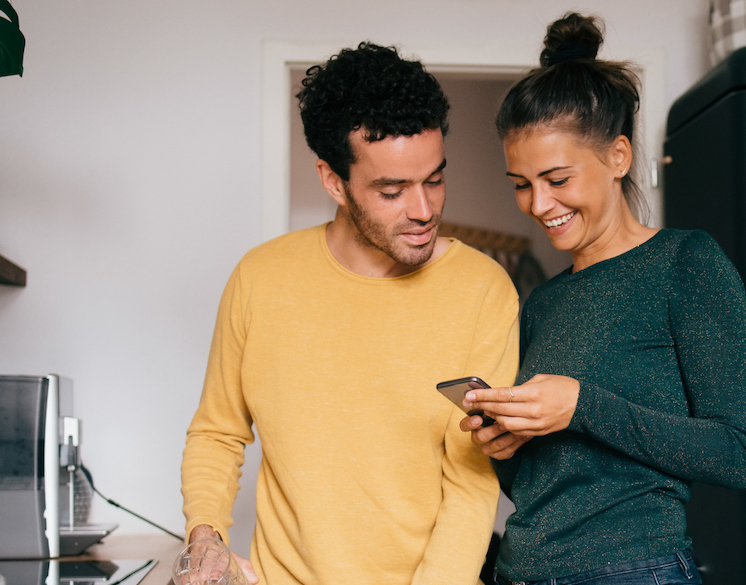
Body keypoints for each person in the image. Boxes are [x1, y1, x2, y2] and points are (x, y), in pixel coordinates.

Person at [181, 43, 516, 585]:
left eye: (434, 178)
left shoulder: (483, 290)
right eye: (392, 190)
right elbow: (217, 432)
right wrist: (205, 537)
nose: (424, 210)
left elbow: (470, 481)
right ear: (333, 180)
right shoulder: (260, 278)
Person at [459, 13, 746, 585]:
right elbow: (545, 482)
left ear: (618, 157)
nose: (538, 204)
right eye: (521, 184)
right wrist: (506, 446)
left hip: (631, 571)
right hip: (519, 571)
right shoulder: (542, 303)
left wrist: (583, 406)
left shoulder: (685, 264)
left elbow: (735, 452)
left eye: (557, 179)